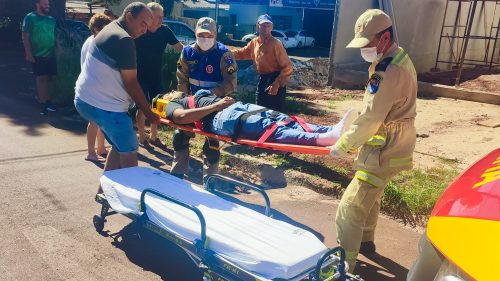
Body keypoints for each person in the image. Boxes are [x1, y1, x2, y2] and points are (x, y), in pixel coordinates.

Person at [329, 9, 417, 273]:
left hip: (384, 149)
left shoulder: (388, 70)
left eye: (367, 44)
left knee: (351, 206)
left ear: (384, 37)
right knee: (372, 196)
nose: (363, 50)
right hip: (395, 144)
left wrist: (343, 145)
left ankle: (344, 263)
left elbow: (370, 118)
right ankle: (366, 242)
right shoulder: (400, 58)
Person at [74, 2, 160, 181]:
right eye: (143, 24)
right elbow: (131, 84)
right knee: (129, 151)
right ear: (129, 16)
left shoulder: (109, 28)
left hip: (85, 100)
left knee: (118, 145)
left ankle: (105, 194)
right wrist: (149, 113)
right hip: (106, 108)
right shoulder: (124, 40)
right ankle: (131, 203)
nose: (145, 30)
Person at [164, 90, 356, 147]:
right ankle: (324, 139)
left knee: (281, 119)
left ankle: (330, 130)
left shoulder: (196, 94)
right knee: (268, 128)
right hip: (222, 117)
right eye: (170, 92)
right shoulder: (174, 104)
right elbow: (180, 118)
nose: (172, 91)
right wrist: (217, 105)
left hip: (235, 107)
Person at [171, 17, 237, 179]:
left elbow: (231, 82)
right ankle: (177, 175)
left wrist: (213, 94)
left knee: (212, 144)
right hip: (192, 103)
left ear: (215, 34)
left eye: (208, 35)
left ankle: (210, 180)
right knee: (179, 136)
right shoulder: (187, 52)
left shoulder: (224, 54)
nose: (204, 38)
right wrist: (185, 99)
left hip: (214, 105)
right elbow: (182, 78)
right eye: (201, 35)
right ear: (195, 33)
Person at [135, 2, 183, 149]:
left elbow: (180, 47)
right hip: (139, 75)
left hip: (156, 74)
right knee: (143, 107)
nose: (161, 20)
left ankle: (154, 137)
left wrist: (193, 55)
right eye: (158, 17)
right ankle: (142, 137)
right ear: (149, 16)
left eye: (162, 17)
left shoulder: (164, 31)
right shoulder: (140, 30)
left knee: (157, 106)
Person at [232, 14, 293, 112]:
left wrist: (276, 84)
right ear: (257, 26)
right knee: (260, 110)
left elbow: (288, 67)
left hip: (275, 79)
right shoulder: (254, 42)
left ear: (272, 28)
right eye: (263, 26)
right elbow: (241, 53)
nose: (266, 29)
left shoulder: (275, 43)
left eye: (269, 26)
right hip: (263, 79)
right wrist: (225, 53)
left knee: (275, 114)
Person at [80, 13, 112, 163]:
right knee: (94, 120)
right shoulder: (94, 43)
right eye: (105, 28)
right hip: (93, 85)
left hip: (97, 85)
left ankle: (101, 148)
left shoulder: (93, 41)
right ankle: (91, 152)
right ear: (96, 29)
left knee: (101, 119)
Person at [22, 0, 57, 115]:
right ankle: (42, 104)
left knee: (49, 79)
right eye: (45, 4)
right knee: (41, 78)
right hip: (37, 54)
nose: (47, 6)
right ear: (38, 4)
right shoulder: (30, 17)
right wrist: (28, 52)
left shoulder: (51, 19)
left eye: (48, 4)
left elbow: (55, 36)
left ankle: (48, 101)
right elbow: (25, 35)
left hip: (51, 54)